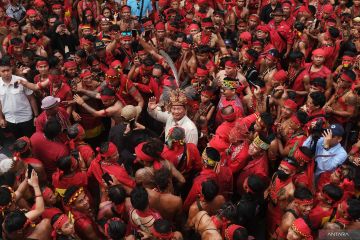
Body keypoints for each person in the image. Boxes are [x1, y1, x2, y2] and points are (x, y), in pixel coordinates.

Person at [0, 57, 38, 138]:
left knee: (31, 139)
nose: (6, 73)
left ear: (11, 69)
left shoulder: (21, 80)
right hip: (10, 119)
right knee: (19, 142)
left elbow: (31, 99)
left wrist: (36, 116)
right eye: (3, 71)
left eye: (8, 70)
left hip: (26, 118)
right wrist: (1, 118)